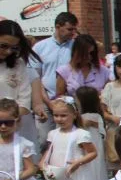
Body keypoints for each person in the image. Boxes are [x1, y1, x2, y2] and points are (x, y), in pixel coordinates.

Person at [30, 11, 77, 142]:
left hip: (69, 102)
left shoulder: (75, 47)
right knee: (44, 139)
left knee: (68, 138)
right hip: (46, 100)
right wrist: (48, 103)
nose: (72, 32)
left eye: (74, 29)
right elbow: (36, 77)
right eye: (69, 29)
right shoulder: (40, 47)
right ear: (58, 26)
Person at [0, 20, 46, 143]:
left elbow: (24, 101)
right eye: (4, 46)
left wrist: (7, 119)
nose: (8, 51)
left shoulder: (18, 64)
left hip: (13, 126)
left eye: (14, 48)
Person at [56, 33, 111, 97]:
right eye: (85, 53)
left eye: (91, 53)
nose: (89, 56)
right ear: (76, 52)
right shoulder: (64, 71)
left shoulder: (104, 71)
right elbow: (60, 96)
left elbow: (110, 95)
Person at [76, 86, 108, 180]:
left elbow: (103, 130)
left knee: (96, 164)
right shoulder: (78, 116)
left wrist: (92, 123)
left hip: (94, 143)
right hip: (85, 144)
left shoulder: (95, 116)